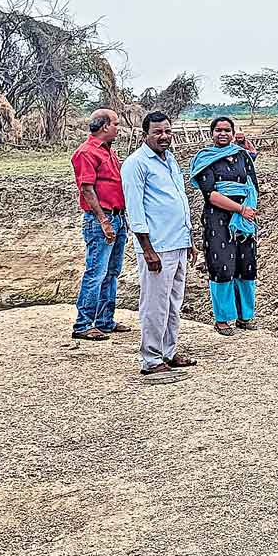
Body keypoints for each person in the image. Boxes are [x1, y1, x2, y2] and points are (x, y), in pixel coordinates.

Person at [121, 111, 198, 376]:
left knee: (174, 301)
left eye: (167, 131)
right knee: (155, 303)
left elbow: (180, 201)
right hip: (156, 247)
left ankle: (169, 351)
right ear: (146, 135)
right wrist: (147, 249)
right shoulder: (136, 164)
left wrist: (189, 240)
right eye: (158, 132)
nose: (164, 136)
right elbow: (135, 209)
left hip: (177, 242)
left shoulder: (170, 160)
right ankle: (151, 359)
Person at [188, 117, 260, 335]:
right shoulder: (205, 159)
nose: (222, 134)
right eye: (218, 130)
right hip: (218, 219)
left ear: (233, 132)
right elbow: (211, 194)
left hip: (244, 220)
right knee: (222, 267)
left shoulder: (241, 155)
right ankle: (222, 319)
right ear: (211, 134)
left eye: (227, 130)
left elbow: (251, 183)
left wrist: (248, 209)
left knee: (246, 266)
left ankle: (245, 316)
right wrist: (240, 210)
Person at [69, 108, 128, 344]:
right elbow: (86, 188)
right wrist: (103, 220)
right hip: (101, 218)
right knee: (96, 271)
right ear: (104, 126)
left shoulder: (108, 152)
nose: (117, 128)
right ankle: (83, 323)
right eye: (115, 124)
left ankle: (105, 320)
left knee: (111, 271)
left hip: (116, 216)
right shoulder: (86, 153)